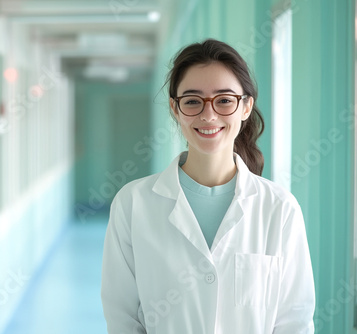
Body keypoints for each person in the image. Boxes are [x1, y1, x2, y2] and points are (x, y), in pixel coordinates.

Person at [101, 39, 315, 334]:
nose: (209, 115)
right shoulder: (133, 203)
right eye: (192, 101)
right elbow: (122, 316)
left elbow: (295, 320)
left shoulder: (279, 208)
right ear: (175, 109)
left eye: (224, 99)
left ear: (246, 107)